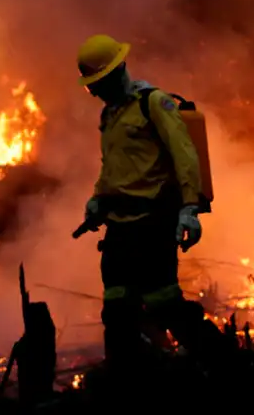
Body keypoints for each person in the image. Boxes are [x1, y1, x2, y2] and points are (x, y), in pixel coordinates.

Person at [75, 33, 230, 383]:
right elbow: (112, 167)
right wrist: (98, 199)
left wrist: (189, 209)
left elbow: (185, 155)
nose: (95, 92)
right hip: (119, 228)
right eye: (91, 87)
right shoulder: (109, 116)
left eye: (98, 84)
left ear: (118, 72)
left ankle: (225, 363)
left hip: (153, 224)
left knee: (164, 304)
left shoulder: (154, 104)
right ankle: (126, 382)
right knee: (116, 309)